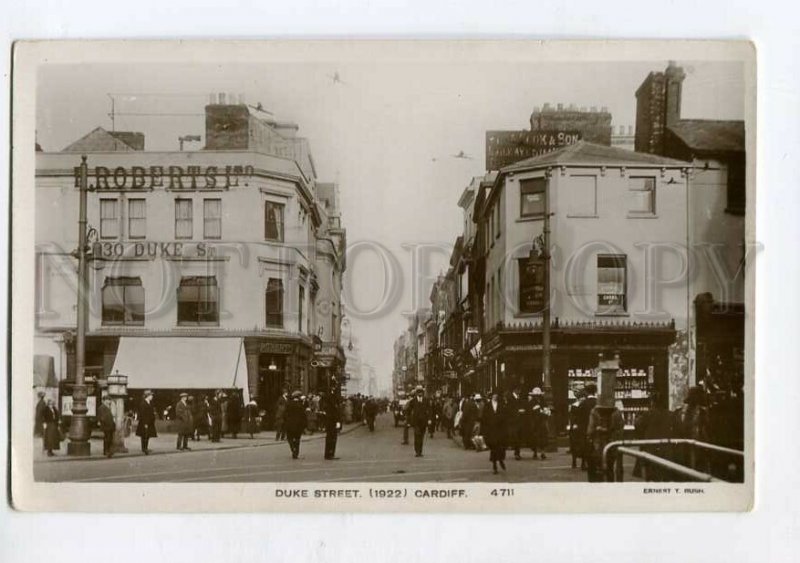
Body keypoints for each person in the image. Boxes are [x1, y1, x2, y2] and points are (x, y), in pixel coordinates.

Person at [586, 395, 625, 482]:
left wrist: (593, 433)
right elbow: (621, 426)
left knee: (599, 467)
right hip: (612, 444)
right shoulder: (617, 412)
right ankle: (610, 484)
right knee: (610, 468)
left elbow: (590, 430)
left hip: (598, 444)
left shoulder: (595, 411)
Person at [482, 391, 508, 474]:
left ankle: (500, 460)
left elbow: (504, 417)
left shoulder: (501, 405)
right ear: (491, 396)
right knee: (493, 448)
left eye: (496, 395)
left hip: (499, 430)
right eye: (494, 395)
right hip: (491, 430)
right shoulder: (487, 405)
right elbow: (484, 418)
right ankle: (494, 465)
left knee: (500, 447)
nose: (495, 396)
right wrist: (484, 431)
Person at [575, 383, 597, 471]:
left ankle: (584, 463)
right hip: (596, 428)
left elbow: (578, 416)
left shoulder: (583, 403)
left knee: (584, 445)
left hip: (584, 427)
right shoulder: (598, 402)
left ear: (587, 392)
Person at [406, 386, 432, 457]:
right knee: (417, 436)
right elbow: (408, 411)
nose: (420, 393)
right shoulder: (413, 401)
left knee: (421, 437)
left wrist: (429, 419)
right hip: (416, 422)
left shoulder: (426, 400)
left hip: (423, 422)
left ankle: (420, 451)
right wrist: (409, 421)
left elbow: (430, 410)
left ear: (423, 393)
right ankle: (417, 451)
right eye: (418, 392)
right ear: (416, 393)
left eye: (421, 392)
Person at [284, 390, 307, 459]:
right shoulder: (300, 405)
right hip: (298, 425)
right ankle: (296, 452)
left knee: (289, 438)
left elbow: (285, 414)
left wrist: (286, 422)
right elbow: (303, 416)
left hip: (290, 424)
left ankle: (292, 448)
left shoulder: (289, 404)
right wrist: (304, 425)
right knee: (297, 439)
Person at [528, 388, 550, 460]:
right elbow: (530, 412)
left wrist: (545, 411)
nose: (537, 396)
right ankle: (535, 452)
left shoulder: (543, 401)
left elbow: (546, 409)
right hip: (534, 422)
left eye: (538, 395)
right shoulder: (531, 402)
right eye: (536, 395)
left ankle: (542, 452)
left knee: (543, 437)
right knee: (535, 437)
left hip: (542, 422)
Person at [136, 390, 158, 455]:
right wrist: (145, 423)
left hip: (149, 422)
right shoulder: (143, 403)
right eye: (151, 395)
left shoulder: (150, 403)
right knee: (144, 435)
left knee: (147, 435)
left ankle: (146, 447)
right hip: (144, 422)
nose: (152, 396)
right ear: (147, 396)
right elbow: (142, 414)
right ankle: (144, 448)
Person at [322, 387, 342, 460]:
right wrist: (338, 422)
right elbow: (336, 414)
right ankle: (330, 454)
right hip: (332, 423)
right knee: (332, 438)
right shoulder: (332, 406)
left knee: (330, 438)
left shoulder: (329, 405)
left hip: (330, 423)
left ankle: (329, 453)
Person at [507, 386, 526, 460]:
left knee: (519, 436)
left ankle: (517, 452)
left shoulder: (519, 398)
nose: (520, 392)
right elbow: (509, 410)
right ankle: (516, 452)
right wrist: (518, 412)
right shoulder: (510, 398)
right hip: (513, 421)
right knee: (515, 436)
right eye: (519, 390)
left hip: (520, 420)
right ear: (515, 390)